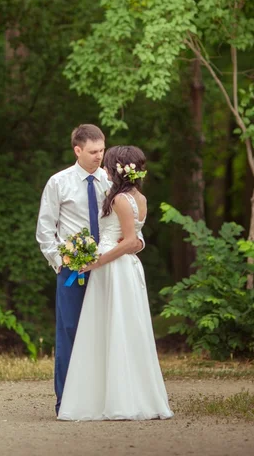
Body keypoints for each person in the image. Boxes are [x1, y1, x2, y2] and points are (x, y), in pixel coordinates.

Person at [57, 145, 173, 421]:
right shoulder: (138, 197)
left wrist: (97, 261)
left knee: (114, 327)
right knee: (120, 328)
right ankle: (121, 394)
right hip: (120, 267)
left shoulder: (120, 199)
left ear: (117, 170)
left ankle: (116, 399)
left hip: (113, 269)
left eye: (108, 166)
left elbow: (131, 240)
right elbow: (135, 238)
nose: (104, 170)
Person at [36, 125, 143, 415]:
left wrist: (135, 243)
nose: (100, 156)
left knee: (104, 332)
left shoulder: (113, 183)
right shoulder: (59, 183)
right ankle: (66, 403)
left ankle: (101, 400)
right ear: (78, 150)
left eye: (102, 150)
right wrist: (64, 262)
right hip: (73, 271)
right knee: (70, 332)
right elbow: (46, 231)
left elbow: (130, 222)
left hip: (109, 269)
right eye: (94, 151)